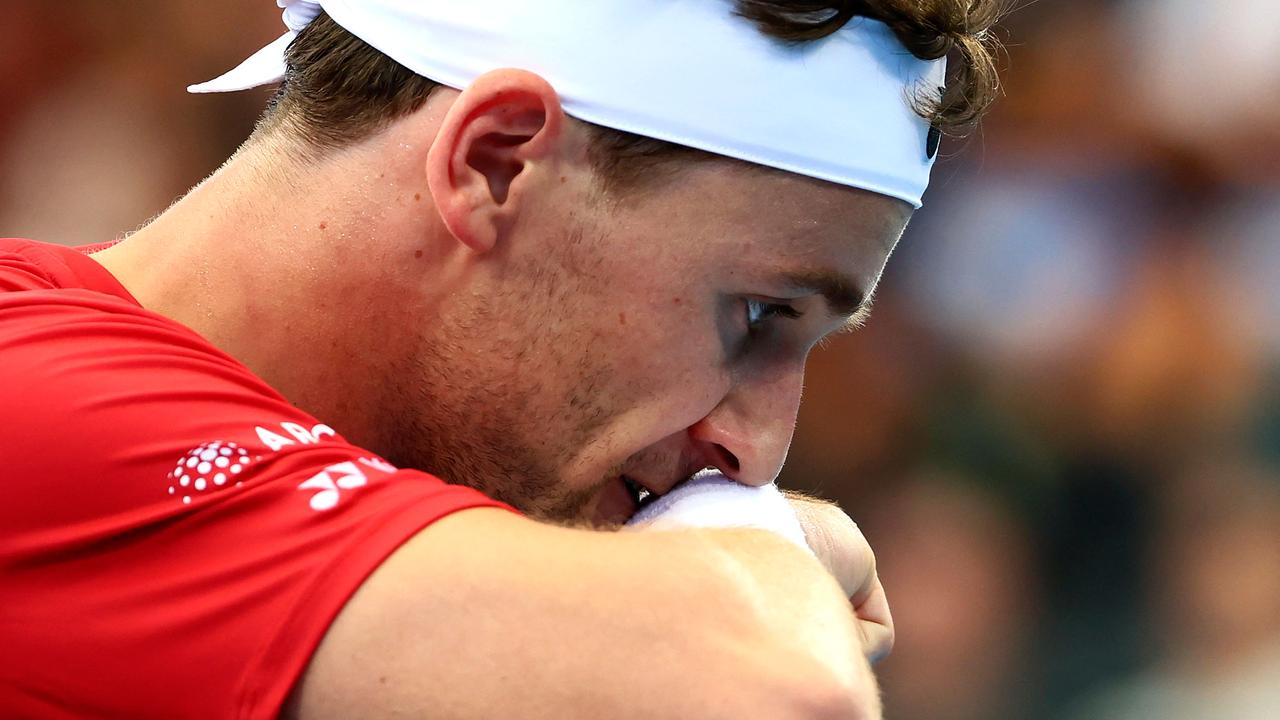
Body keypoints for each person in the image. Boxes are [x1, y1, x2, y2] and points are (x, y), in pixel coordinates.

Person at [0, 1, 1003, 718]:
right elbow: (773, 691)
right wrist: (757, 539)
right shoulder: (29, 394)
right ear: (496, 160)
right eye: (753, 317)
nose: (754, 452)